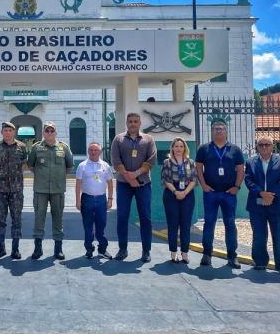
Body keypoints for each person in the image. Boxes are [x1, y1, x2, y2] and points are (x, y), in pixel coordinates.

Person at [195, 119, 245, 269]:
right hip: (210, 193)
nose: (218, 130)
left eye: (221, 128)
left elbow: (241, 169)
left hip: (229, 193)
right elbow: (198, 168)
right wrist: (203, 185)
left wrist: (237, 186)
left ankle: (232, 256)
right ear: (212, 131)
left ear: (226, 131)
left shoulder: (235, 150)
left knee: (230, 224)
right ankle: (207, 254)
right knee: (209, 223)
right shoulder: (204, 149)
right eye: (216, 128)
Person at [110, 113, 157, 262]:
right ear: (126, 122)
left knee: (145, 218)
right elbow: (116, 161)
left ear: (140, 123)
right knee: (122, 217)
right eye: (130, 121)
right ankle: (122, 250)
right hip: (124, 185)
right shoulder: (118, 139)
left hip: (143, 184)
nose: (133, 124)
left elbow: (151, 160)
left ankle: (146, 251)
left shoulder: (148, 139)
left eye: (135, 121)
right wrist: (129, 179)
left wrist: (135, 174)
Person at [27, 121, 74, 260]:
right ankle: (38, 248)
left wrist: (58, 177)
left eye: (51, 131)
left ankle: (58, 249)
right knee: (39, 218)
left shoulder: (64, 148)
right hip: (40, 189)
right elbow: (31, 165)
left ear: (56, 132)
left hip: (58, 190)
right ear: (43, 133)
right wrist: (42, 176)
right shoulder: (36, 148)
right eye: (47, 131)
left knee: (58, 218)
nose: (49, 133)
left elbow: (69, 166)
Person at [244, 136, 280, 274]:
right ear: (257, 146)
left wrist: (271, 195)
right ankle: (260, 262)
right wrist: (262, 193)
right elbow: (248, 181)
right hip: (257, 204)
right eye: (261, 144)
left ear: (272, 146)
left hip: (278, 204)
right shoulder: (250, 162)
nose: (264, 147)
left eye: (267, 144)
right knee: (258, 235)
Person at [0, 121, 28, 260]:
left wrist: (16, 176)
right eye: (5, 130)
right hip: (0, 189)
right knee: (0, 219)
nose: (8, 133)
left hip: (17, 190)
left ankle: (15, 249)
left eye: (10, 130)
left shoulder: (22, 147)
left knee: (16, 220)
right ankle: (1, 248)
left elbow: (24, 165)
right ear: (2, 132)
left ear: (14, 132)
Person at [161, 138, 198, 264]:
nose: (178, 149)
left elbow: (193, 180)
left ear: (185, 148)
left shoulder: (191, 162)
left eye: (181, 146)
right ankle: (173, 252)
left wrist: (184, 193)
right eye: (176, 146)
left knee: (185, 225)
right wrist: (176, 192)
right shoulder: (167, 162)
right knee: (173, 225)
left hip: (187, 193)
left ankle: (185, 253)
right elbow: (166, 180)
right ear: (172, 148)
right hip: (172, 194)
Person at [75, 142, 114, 259]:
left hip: (101, 199)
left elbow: (110, 183)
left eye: (96, 150)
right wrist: (78, 201)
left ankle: (102, 249)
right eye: (91, 150)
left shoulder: (105, 166)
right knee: (88, 227)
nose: (93, 152)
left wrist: (110, 199)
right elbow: (78, 185)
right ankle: (89, 249)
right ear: (88, 151)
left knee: (101, 226)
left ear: (100, 152)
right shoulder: (82, 166)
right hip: (87, 199)